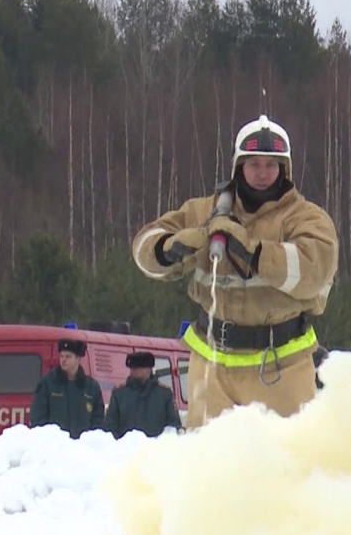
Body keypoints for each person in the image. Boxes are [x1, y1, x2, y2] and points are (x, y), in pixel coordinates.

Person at [130, 114, 339, 431]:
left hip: (281, 367)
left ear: (285, 169)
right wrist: (171, 247)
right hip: (212, 370)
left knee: (290, 469)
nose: (262, 173)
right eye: (253, 164)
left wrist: (252, 252)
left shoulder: (305, 217)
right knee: (210, 470)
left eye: (271, 165)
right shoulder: (205, 212)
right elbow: (143, 245)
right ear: (238, 166)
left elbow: (316, 268)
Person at [29, 338, 106, 439]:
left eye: (68, 357)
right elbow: (37, 417)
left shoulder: (91, 387)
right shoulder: (47, 384)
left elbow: (98, 420)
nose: (63, 360)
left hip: (83, 447)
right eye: (61, 356)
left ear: (78, 359)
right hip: (55, 446)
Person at [104, 351, 182, 439]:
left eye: (137, 368)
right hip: (127, 450)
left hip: (157, 450)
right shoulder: (119, 394)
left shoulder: (164, 394)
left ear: (148, 369)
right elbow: (110, 427)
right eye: (132, 368)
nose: (132, 370)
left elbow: (173, 426)